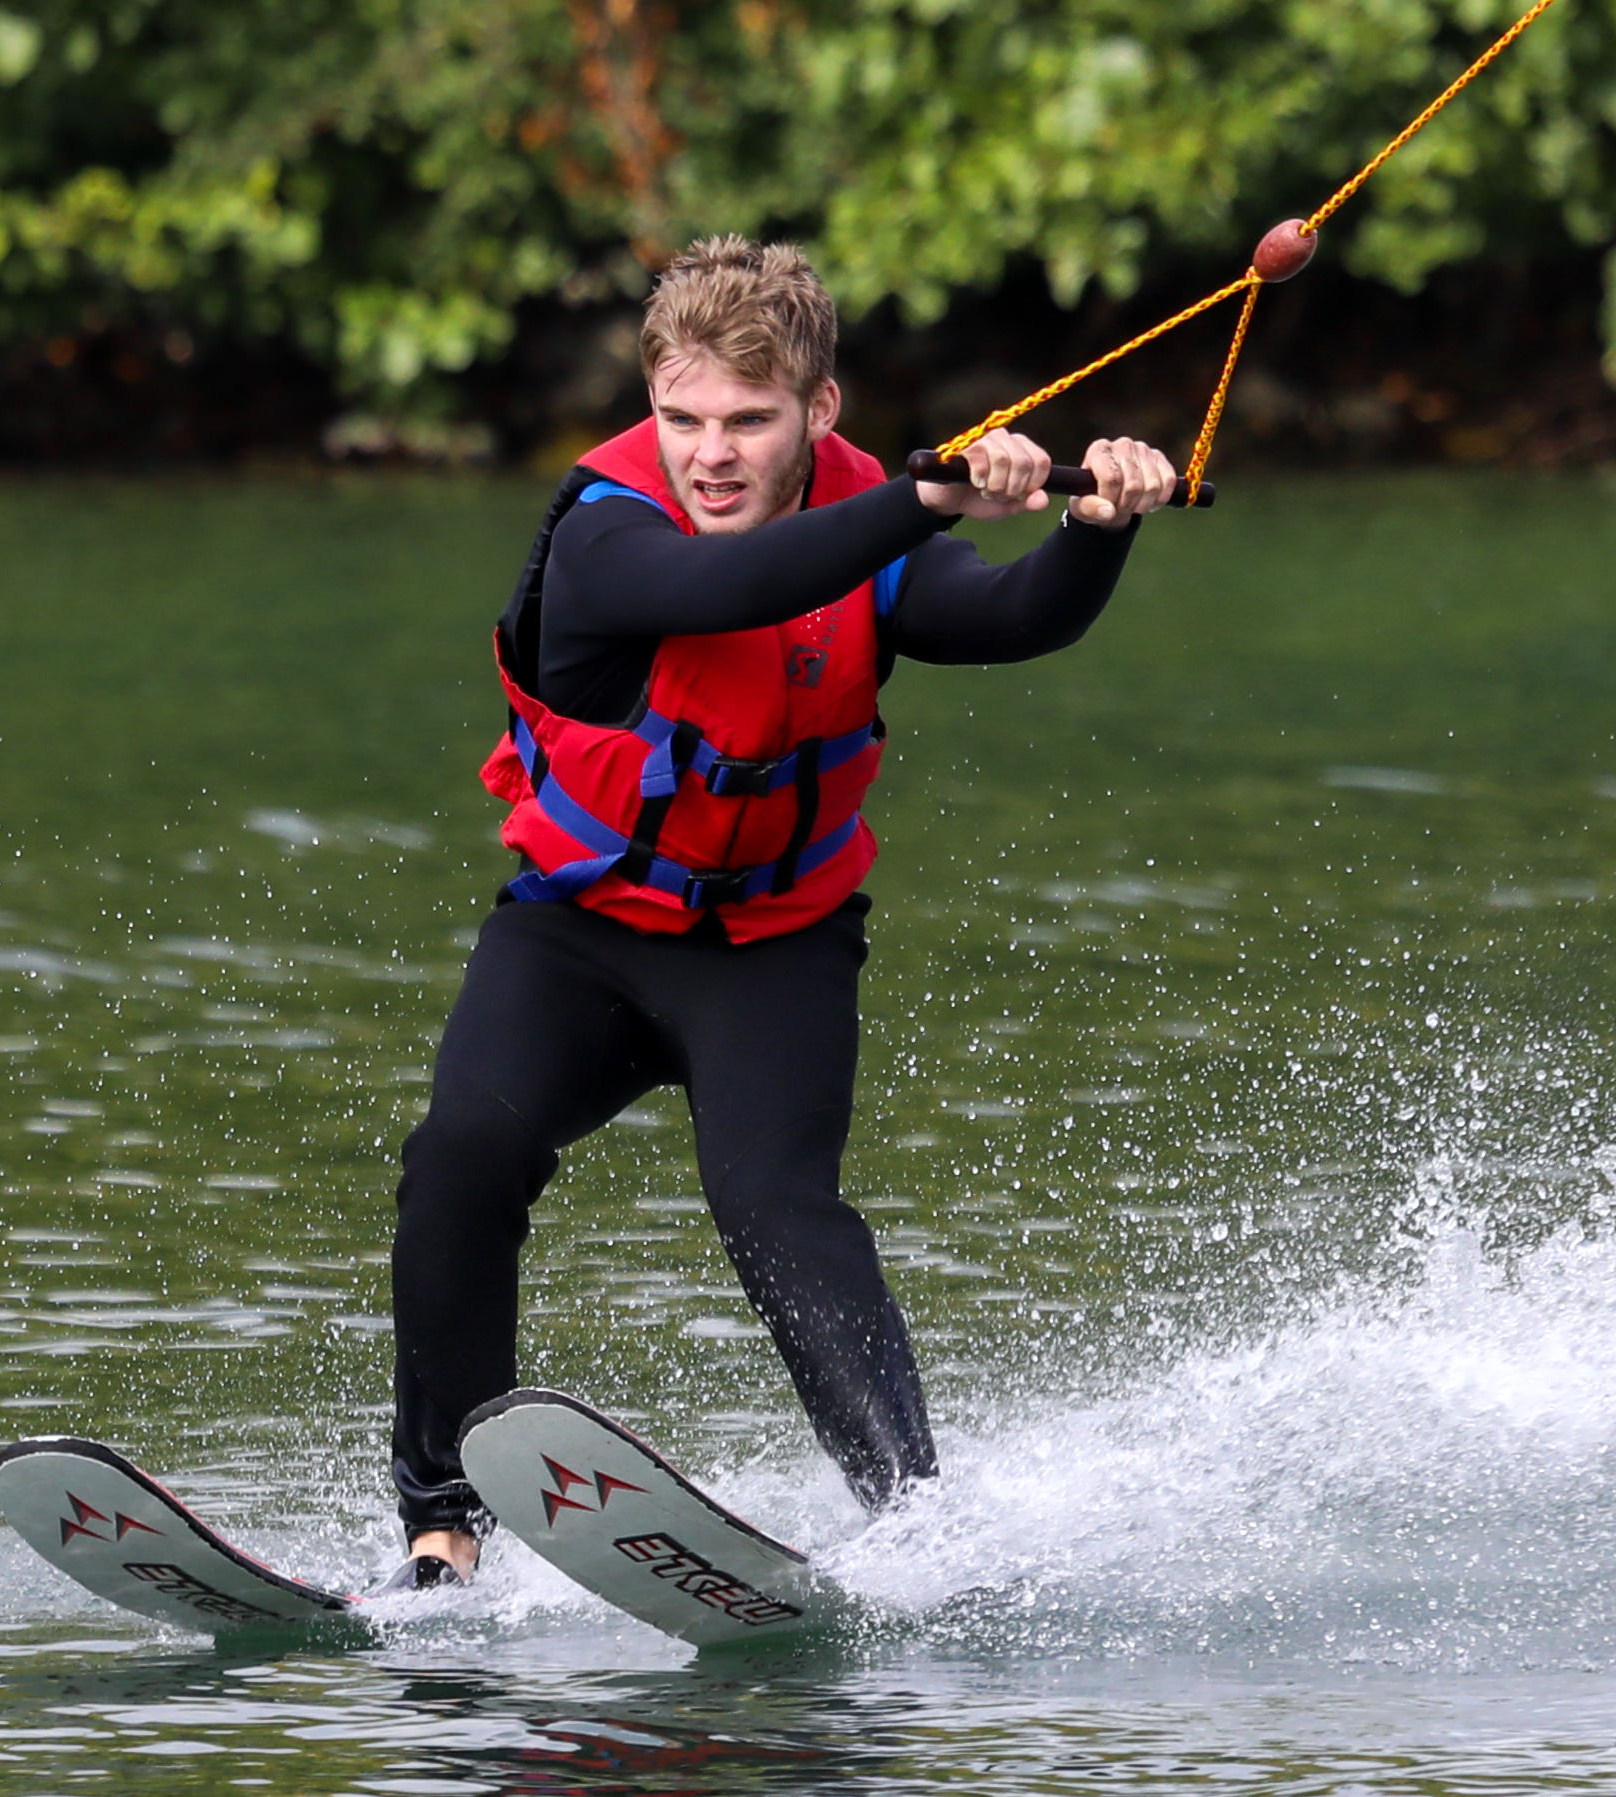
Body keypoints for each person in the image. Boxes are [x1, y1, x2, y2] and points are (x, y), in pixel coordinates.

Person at [380, 235, 1181, 1590]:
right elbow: (728, 589)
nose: (711, 454)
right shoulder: (602, 532)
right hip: (581, 931)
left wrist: (1096, 533)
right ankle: (443, 1525)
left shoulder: (871, 518)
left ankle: (919, 1529)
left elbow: (1004, 616)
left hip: (773, 944)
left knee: (777, 1207)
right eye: (682, 418)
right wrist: (925, 496)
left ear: (821, 411)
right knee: (465, 1149)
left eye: (749, 421)